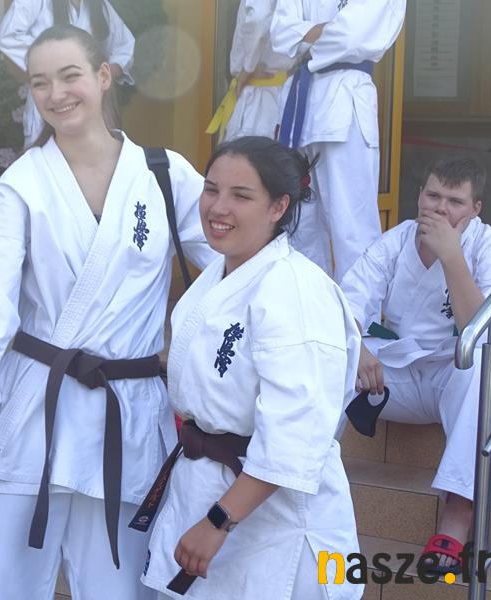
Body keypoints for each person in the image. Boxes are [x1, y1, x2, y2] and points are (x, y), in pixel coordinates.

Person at [0, 24, 216, 600]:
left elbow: (237, 265)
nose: (56, 94)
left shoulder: (164, 174)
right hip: (36, 413)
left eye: (70, 75)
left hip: (128, 419)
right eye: (40, 82)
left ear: (104, 76)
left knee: (122, 590)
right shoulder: (20, 187)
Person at [138, 136, 363, 600]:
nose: (218, 208)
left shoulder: (296, 290)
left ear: (279, 206)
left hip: (276, 521)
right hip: (205, 487)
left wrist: (219, 521)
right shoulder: (223, 274)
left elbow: (294, 438)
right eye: (211, 189)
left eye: (240, 195)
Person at [340, 157, 491, 574]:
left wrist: (452, 257)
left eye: (455, 201)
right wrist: (357, 348)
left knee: (479, 367)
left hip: (472, 376)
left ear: (475, 209)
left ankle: (459, 510)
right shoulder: (396, 241)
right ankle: (300, 482)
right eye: (433, 196)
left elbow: (486, 335)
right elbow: (347, 304)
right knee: (335, 356)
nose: (440, 209)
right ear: (419, 195)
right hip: (407, 374)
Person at [270, 0, 406, 281]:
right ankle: (307, 304)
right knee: (298, 224)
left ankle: (358, 310)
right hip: (298, 102)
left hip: (346, 97)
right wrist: (326, 32)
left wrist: (303, 37)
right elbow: (280, 36)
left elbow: (351, 34)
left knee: (352, 227)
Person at [0, 0, 134, 147]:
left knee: (94, 148)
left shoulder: (99, 4)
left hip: (90, 100)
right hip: (49, 99)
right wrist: (50, 62)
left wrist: (105, 71)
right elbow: (7, 36)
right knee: (46, 153)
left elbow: (125, 46)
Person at [206, 0, 292, 143]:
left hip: (258, 95)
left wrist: (248, 67)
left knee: (249, 153)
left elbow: (258, 20)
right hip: (281, 90)